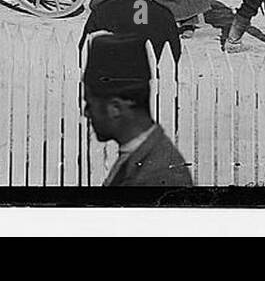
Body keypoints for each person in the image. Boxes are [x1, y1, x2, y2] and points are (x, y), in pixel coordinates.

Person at [82, 33, 192, 187]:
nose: (86, 113)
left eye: (90, 104)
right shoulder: (138, 155)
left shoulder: (160, 177)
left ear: (115, 108)